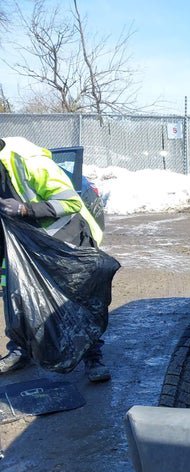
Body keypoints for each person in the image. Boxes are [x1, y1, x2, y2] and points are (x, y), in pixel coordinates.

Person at [0, 136, 110, 382]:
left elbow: (70, 202)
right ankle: (20, 350)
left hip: (64, 238)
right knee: (18, 295)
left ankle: (92, 355)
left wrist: (25, 209)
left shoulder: (30, 161)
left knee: (77, 298)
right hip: (26, 242)